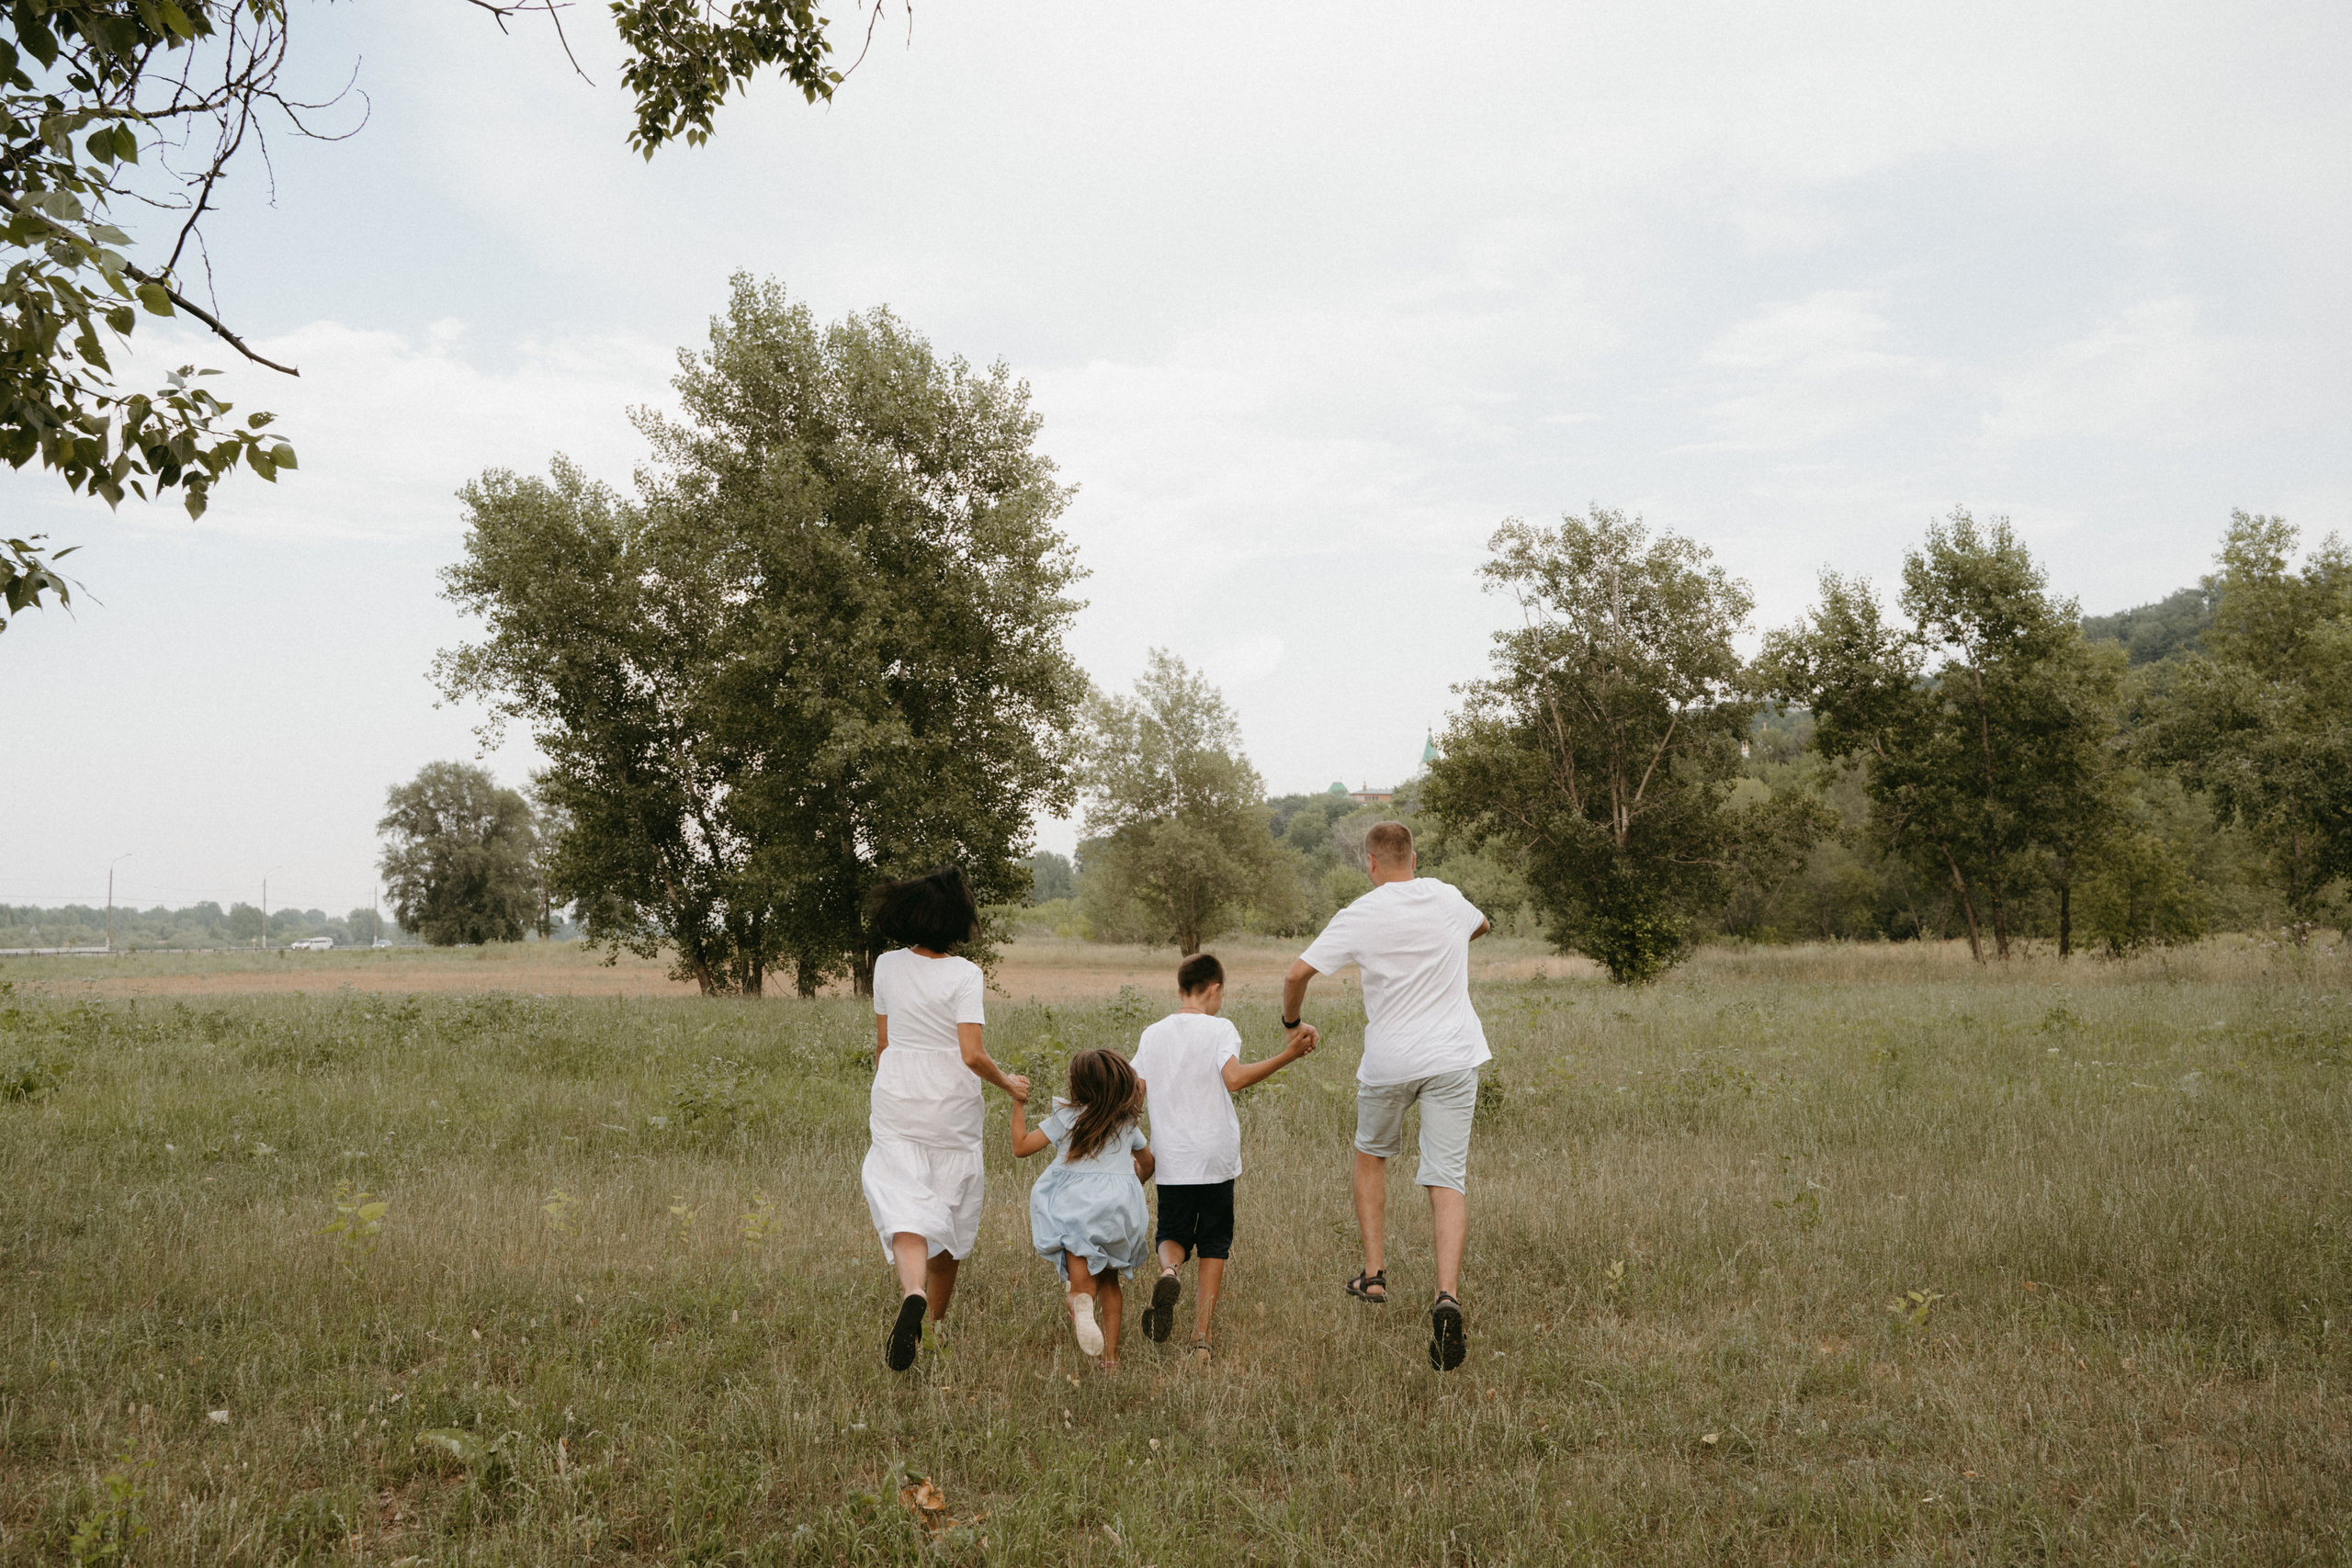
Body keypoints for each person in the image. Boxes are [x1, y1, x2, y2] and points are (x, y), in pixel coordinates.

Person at [1282, 821, 1491, 1371]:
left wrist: (1292, 1021)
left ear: (1370, 864)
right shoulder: (1446, 897)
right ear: (1414, 859)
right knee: (1446, 1175)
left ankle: (1373, 1276)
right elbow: (1483, 924)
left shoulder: (1359, 914)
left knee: (1371, 1155)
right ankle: (1446, 1295)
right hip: (1453, 1055)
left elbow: (1297, 972)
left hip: (1390, 1061)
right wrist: (1442, 945)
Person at [863, 867, 1032, 1371]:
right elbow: (973, 1054)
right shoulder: (964, 974)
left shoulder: (887, 966)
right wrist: (1009, 1084)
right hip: (952, 1107)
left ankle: (912, 1289)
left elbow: (883, 1044)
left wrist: (891, 1086)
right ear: (958, 919)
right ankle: (933, 1328)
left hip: (897, 1095)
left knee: (904, 1198)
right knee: (952, 1208)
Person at [1130, 952, 1317, 1360]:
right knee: (1214, 1242)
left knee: (1171, 1234)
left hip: (1172, 1159)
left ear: (1181, 988)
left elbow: (1134, 1095)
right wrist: (1287, 1055)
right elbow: (1233, 1079)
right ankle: (1201, 1338)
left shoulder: (1152, 1034)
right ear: (1213, 989)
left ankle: (1168, 1272)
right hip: (1214, 1156)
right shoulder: (1220, 1027)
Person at [1011, 1048, 1154, 1370]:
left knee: (1081, 1285)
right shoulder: (1126, 1123)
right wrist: (1130, 1187)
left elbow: (1021, 1147)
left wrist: (1018, 1102)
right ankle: (1111, 1360)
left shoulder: (1067, 1117)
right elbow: (1148, 1164)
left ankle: (1079, 1304)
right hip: (1118, 1211)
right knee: (1110, 1282)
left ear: (1078, 1086)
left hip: (1076, 1210)